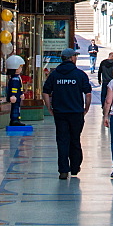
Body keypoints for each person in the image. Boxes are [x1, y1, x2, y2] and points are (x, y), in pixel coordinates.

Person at [42, 47, 92, 179]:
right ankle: (75, 167)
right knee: (75, 139)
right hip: (76, 112)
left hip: (60, 113)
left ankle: (63, 170)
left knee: (62, 140)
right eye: (75, 56)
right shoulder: (80, 74)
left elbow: (46, 92)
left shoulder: (55, 74)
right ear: (71, 58)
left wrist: (49, 108)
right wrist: (86, 108)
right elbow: (87, 93)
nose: (76, 58)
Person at [5, 55, 26, 125]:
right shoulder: (15, 79)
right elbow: (14, 88)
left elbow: (19, 87)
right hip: (16, 97)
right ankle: (14, 119)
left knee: (17, 108)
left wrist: (21, 93)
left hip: (18, 96)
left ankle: (17, 119)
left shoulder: (17, 77)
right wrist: (13, 95)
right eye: (20, 67)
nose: (21, 68)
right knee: (15, 108)